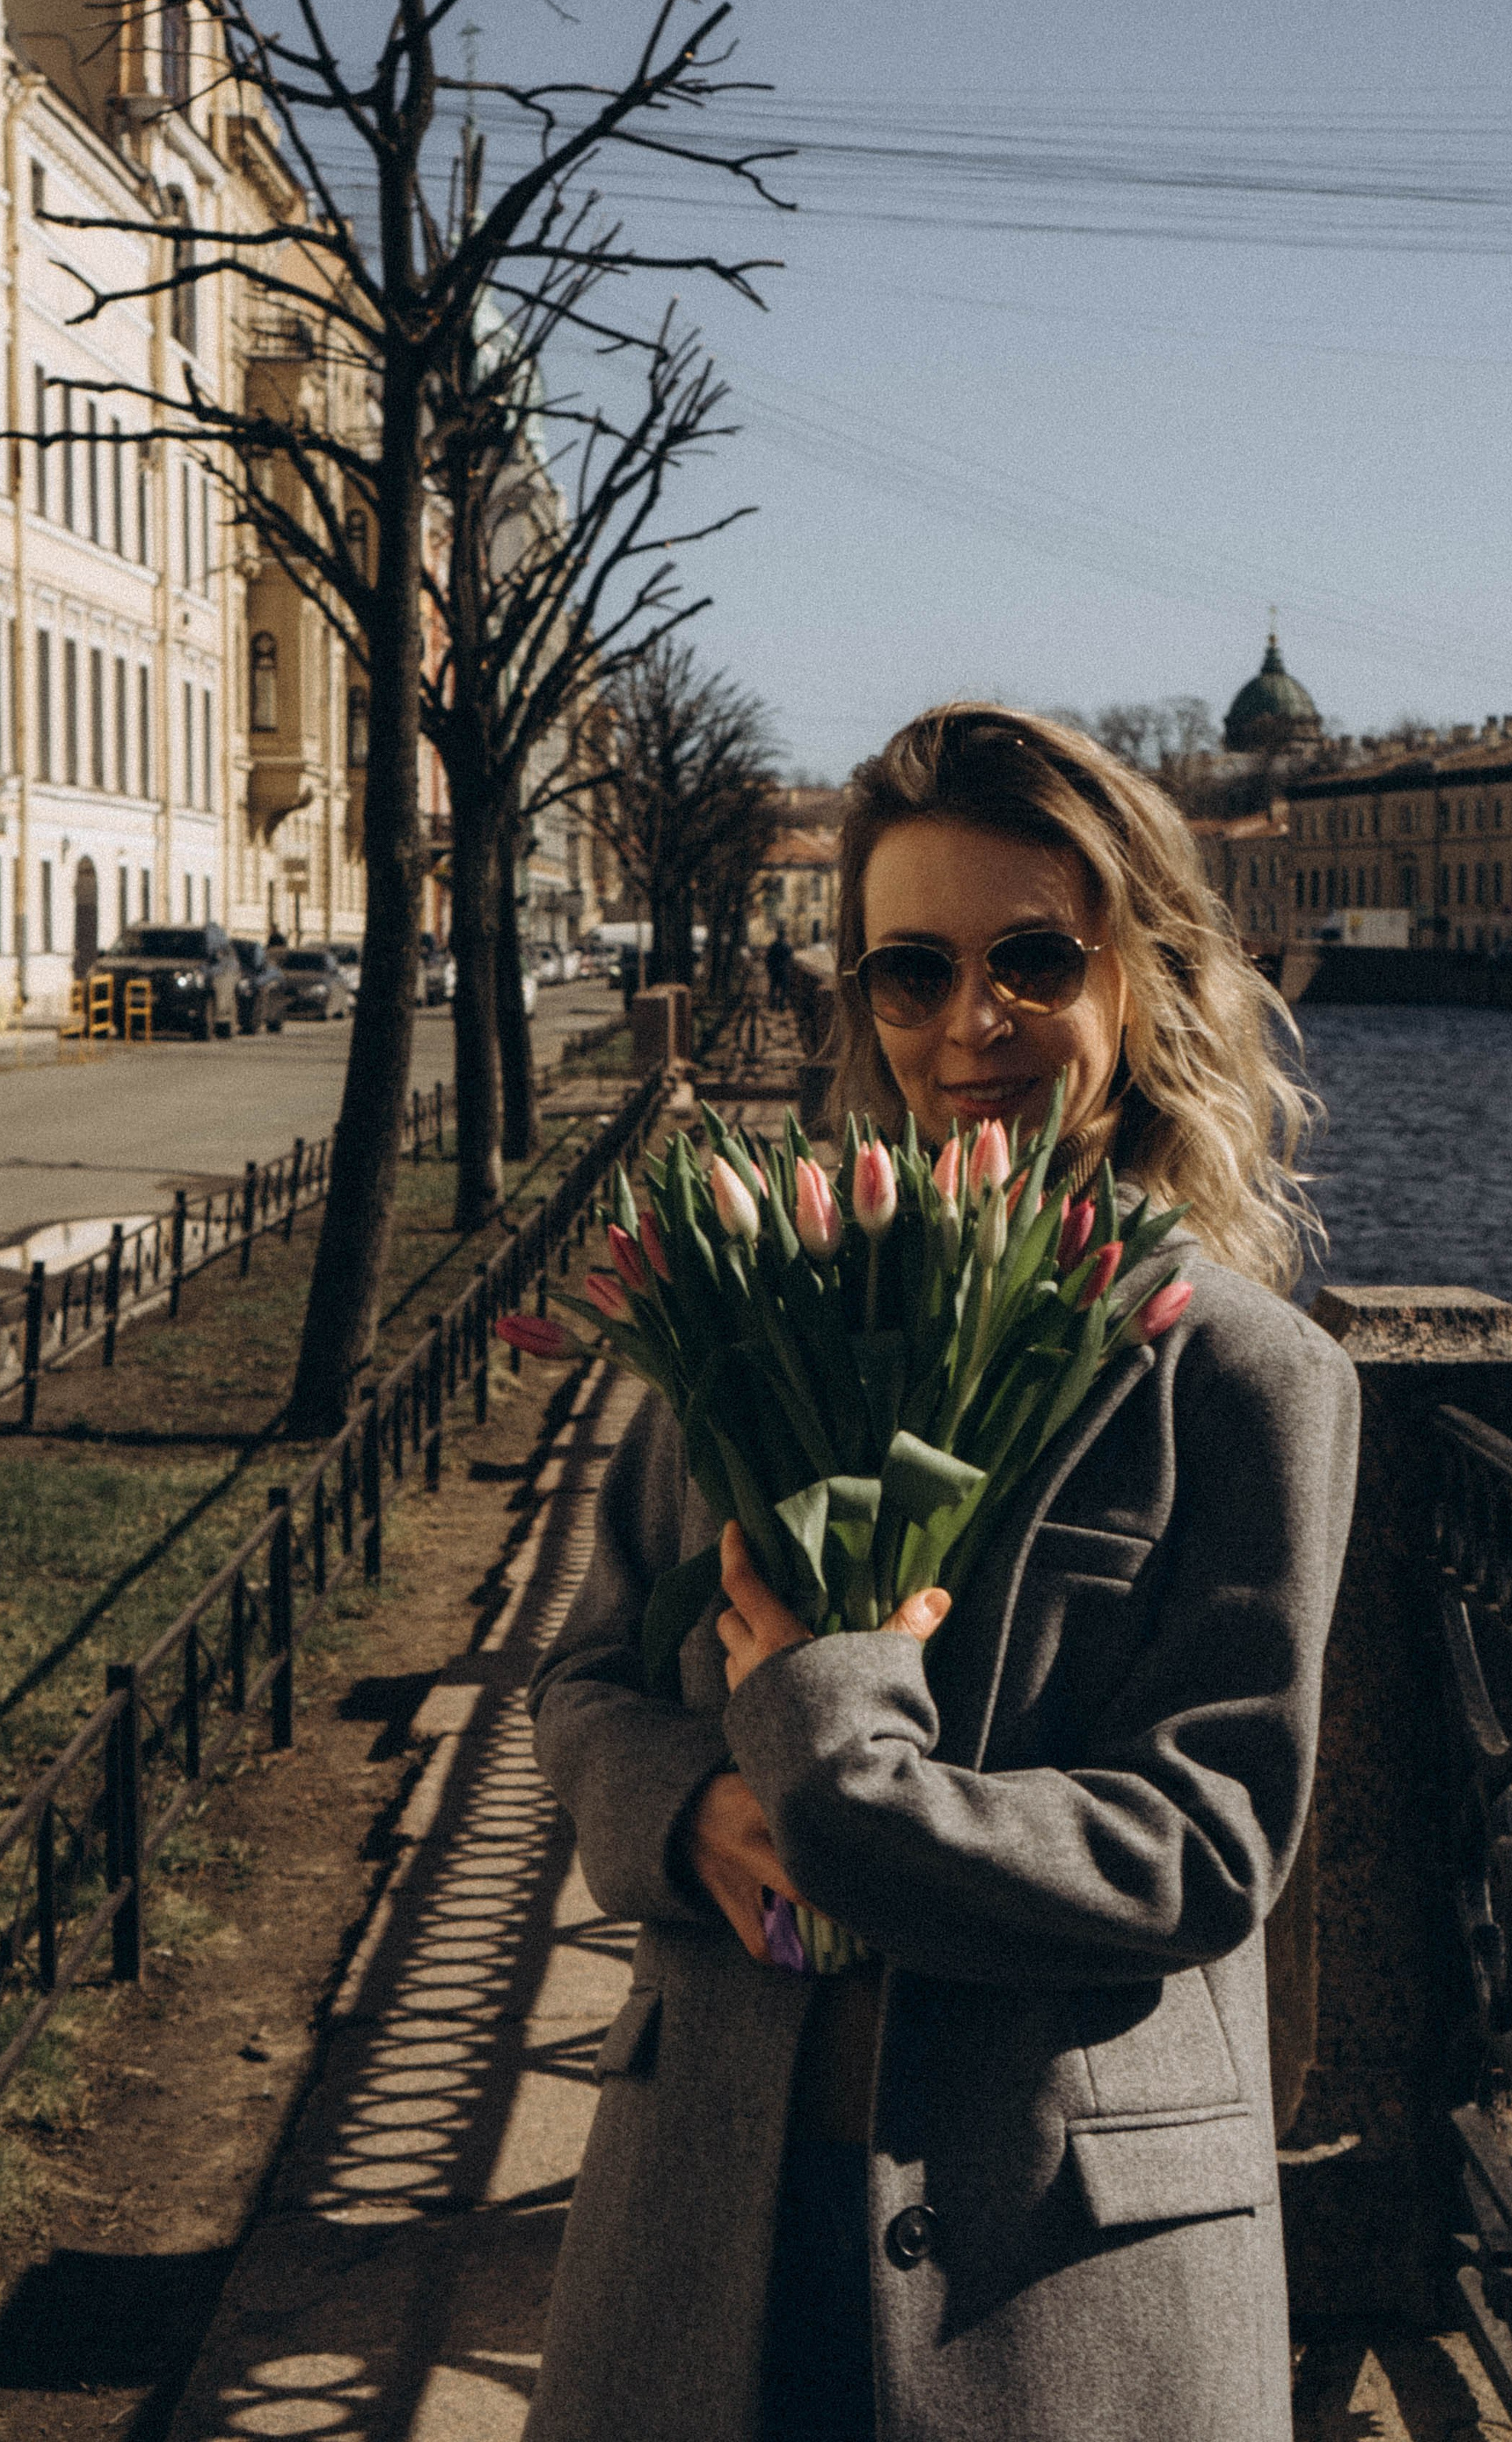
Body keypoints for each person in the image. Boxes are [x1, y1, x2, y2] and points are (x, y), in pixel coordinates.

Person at [524, 703, 1360, 2442]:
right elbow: (585, 1682)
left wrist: (837, 1764)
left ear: (1139, 978)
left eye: (1030, 958)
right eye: (909, 969)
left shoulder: (1241, 1374)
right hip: (706, 2220)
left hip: (1057, 2269)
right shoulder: (754, 1312)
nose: (966, 1022)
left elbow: (1204, 1844)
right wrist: (690, 1817)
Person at [765, 927, 793, 1011]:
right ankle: (781, 1005)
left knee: (773, 987)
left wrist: (769, 969)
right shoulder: (787, 946)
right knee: (783, 989)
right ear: (784, 936)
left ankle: (772, 1005)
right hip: (783, 970)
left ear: (777, 935)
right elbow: (790, 959)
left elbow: (768, 959)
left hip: (774, 970)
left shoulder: (773, 945)